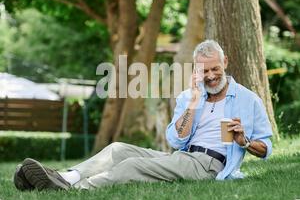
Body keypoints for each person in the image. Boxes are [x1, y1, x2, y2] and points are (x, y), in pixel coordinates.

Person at [13, 40, 272, 192]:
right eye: (204, 71)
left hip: (210, 165)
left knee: (132, 166)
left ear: (225, 62)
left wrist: (245, 142)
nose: (211, 76)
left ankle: (74, 190)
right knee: (118, 150)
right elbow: (176, 141)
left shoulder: (248, 100)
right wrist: (193, 105)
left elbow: (266, 148)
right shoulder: (188, 97)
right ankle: (63, 177)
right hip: (183, 155)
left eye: (215, 68)